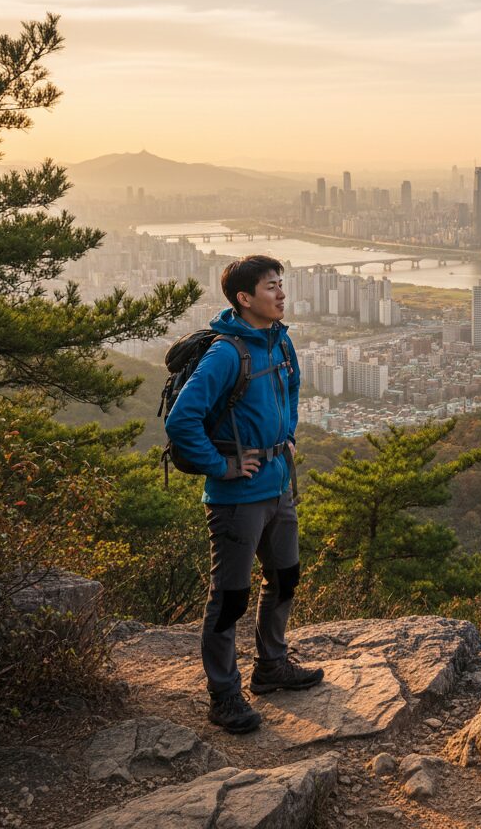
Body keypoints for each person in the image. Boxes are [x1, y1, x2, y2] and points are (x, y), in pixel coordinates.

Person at [165, 255, 323, 733]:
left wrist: (289, 433)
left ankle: (271, 667)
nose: (280, 293)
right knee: (230, 596)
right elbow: (181, 422)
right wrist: (223, 466)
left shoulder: (281, 341)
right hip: (237, 497)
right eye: (271, 286)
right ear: (244, 298)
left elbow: (292, 391)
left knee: (286, 577)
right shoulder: (227, 354)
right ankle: (224, 693)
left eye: (281, 284)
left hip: (278, 484)